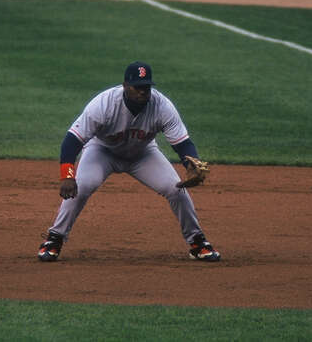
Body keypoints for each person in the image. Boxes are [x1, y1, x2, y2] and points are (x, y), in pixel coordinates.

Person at [37, 61, 221, 263]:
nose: (143, 92)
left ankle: (197, 242)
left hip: (143, 154)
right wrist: (68, 175)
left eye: (147, 87)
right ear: (125, 85)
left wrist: (190, 165)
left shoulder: (162, 106)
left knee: (176, 189)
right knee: (81, 186)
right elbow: (72, 140)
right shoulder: (104, 104)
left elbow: (183, 143)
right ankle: (54, 239)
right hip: (102, 151)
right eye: (138, 87)